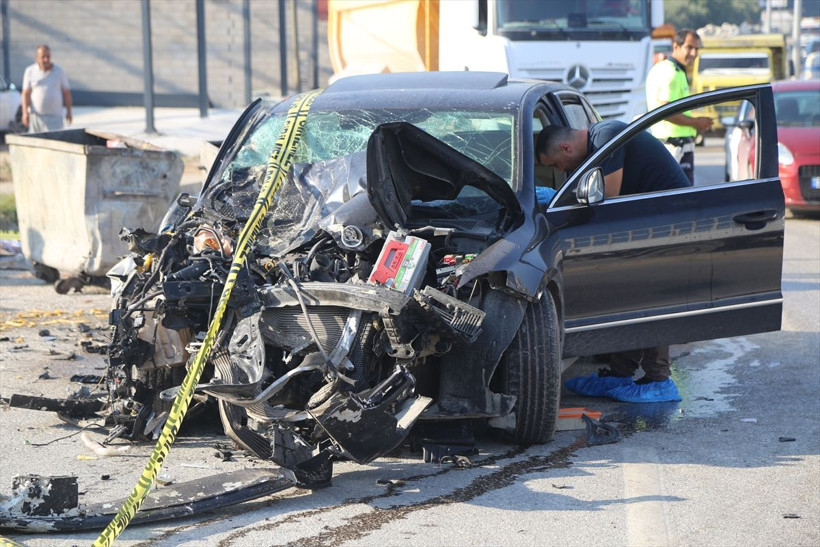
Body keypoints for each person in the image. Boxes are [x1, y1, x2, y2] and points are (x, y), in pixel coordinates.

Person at [535, 120, 687, 403]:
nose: (561, 171)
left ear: (566, 147)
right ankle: (619, 374)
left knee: (649, 301)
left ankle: (659, 380)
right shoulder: (596, 143)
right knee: (629, 299)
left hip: (670, 225)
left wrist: (556, 199)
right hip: (649, 224)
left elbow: (608, 199)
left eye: (557, 164)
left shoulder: (607, 136)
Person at [645, 28, 713, 184]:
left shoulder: (665, 69)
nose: (694, 53)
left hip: (668, 147)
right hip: (675, 148)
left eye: (697, 48)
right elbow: (665, 110)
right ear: (676, 46)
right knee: (684, 200)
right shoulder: (672, 73)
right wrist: (696, 123)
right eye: (689, 47)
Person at [21, 44, 72, 133]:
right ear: (36, 57)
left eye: (48, 56)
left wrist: (69, 112)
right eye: (43, 57)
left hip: (55, 118)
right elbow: (25, 94)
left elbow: (66, 92)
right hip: (36, 118)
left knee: (55, 143)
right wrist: (25, 113)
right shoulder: (30, 71)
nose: (46, 59)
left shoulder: (59, 71)